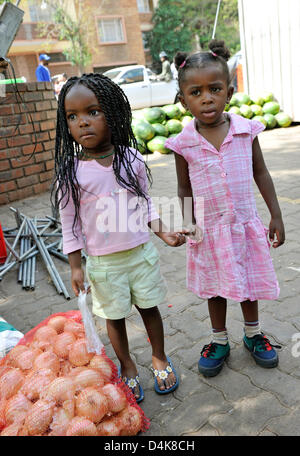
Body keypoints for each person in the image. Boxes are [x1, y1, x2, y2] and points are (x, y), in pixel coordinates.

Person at [51, 73, 187, 402]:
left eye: (93, 112)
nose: (83, 122)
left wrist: (164, 233)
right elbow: (69, 222)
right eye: (73, 116)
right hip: (103, 263)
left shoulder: (131, 159)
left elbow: (144, 203)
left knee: (149, 308)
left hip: (140, 254)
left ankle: (159, 357)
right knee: (114, 316)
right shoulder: (70, 172)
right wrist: (75, 266)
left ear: (114, 113)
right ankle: (127, 365)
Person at [165, 39, 285, 378]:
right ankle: (219, 340)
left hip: (244, 224)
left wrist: (276, 215)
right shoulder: (182, 142)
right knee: (214, 288)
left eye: (215, 89)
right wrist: (188, 222)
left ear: (229, 92)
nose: (206, 98)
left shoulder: (247, 131)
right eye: (196, 92)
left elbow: (261, 172)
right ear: (183, 99)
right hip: (208, 230)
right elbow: (183, 186)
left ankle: (253, 334)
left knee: (248, 281)